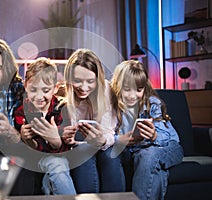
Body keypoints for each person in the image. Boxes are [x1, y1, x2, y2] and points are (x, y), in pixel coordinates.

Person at [110, 60, 184, 200]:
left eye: (138, 90)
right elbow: (106, 136)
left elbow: (168, 137)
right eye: (127, 89)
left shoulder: (152, 104)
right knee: (152, 164)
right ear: (118, 86)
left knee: (149, 155)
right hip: (139, 152)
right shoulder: (113, 106)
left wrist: (154, 135)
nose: (133, 95)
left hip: (169, 147)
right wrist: (119, 140)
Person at [62, 48, 125, 193]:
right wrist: (67, 139)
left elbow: (109, 132)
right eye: (77, 81)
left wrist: (101, 140)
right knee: (82, 151)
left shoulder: (106, 90)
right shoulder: (65, 97)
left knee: (110, 154)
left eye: (90, 81)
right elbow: (70, 138)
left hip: (106, 144)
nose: (83, 88)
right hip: (82, 147)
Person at [13, 57, 76, 195]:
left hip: (56, 157)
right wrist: (26, 138)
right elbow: (26, 148)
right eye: (33, 90)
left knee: (57, 165)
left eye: (45, 90)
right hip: (31, 158)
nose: (39, 96)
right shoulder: (21, 111)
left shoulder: (63, 108)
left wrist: (55, 140)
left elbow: (66, 147)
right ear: (26, 87)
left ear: (55, 88)